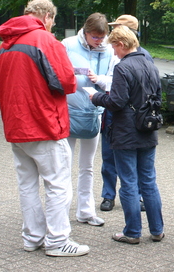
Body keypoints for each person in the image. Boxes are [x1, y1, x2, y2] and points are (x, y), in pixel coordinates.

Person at [0, 0, 89, 257]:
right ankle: (58, 241)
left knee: (27, 184)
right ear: (47, 17)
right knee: (58, 185)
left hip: (16, 127)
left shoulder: (4, 45)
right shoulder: (45, 40)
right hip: (45, 125)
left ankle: (32, 237)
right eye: (53, 20)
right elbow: (67, 83)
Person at [91, 25, 164, 244]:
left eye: (114, 47)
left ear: (122, 44)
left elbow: (117, 102)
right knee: (149, 181)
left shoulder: (123, 68)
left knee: (129, 182)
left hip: (125, 133)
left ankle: (132, 232)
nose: (114, 52)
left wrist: (95, 97)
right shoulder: (151, 65)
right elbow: (158, 97)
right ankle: (157, 229)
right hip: (148, 130)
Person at [62, 13, 112, 227]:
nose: (99, 41)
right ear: (85, 31)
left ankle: (85, 211)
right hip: (69, 111)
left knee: (88, 166)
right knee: (64, 165)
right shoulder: (67, 45)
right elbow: (57, 74)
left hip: (93, 112)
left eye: (102, 38)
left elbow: (113, 78)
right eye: (95, 37)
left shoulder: (108, 49)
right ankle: (61, 212)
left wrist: (100, 80)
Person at [99, 14, 150, 212]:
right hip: (111, 111)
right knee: (108, 156)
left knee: (132, 160)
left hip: (130, 115)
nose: (112, 31)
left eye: (117, 27)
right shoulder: (111, 52)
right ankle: (108, 195)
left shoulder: (142, 56)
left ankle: (134, 196)